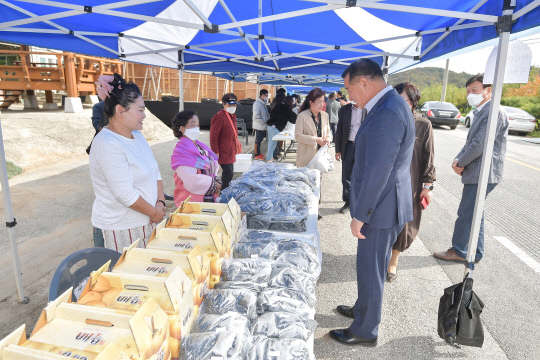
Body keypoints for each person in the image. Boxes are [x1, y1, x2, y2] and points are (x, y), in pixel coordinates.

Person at [328, 59, 415, 346]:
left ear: (364, 83)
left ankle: (365, 331)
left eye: (349, 89)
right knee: (368, 265)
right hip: (385, 203)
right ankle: (362, 309)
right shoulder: (386, 104)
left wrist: (360, 214)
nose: (349, 96)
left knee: (371, 268)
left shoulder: (388, 111)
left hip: (380, 207)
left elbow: (380, 170)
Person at [433, 74, 508, 264]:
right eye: (467, 91)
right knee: (475, 213)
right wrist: (458, 159)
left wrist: (461, 163)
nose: (470, 95)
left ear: (488, 90)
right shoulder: (483, 111)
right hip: (477, 171)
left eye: (474, 90)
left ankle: (459, 250)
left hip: (483, 173)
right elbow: (470, 142)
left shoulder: (493, 111)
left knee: (467, 213)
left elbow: (478, 144)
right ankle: (475, 252)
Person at [90, 74, 166, 251]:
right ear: (120, 110)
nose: (144, 115)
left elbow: (155, 172)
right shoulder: (107, 143)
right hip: (121, 228)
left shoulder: (137, 136)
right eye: (140, 110)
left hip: (148, 221)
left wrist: (160, 203)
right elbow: (124, 193)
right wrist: (154, 213)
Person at [387, 82, 436, 282]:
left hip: (411, 183)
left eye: (402, 99)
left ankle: (393, 261)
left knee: (405, 224)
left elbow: (428, 157)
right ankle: (381, 254)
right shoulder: (387, 120)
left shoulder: (423, 125)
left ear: (413, 102)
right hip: (386, 183)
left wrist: (427, 187)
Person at [171, 110, 221, 207]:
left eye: (198, 125)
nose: (197, 128)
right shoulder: (181, 152)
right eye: (193, 125)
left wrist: (215, 178)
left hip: (207, 197)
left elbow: (211, 163)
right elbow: (191, 180)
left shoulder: (199, 146)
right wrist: (213, 184)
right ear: (182, 129)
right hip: (192, 201)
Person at [335, 97, 366, 214]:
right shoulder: (345, 109)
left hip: (363, 147)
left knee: (362, 174)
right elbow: (340, 130)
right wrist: (338, 149)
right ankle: (348, 201)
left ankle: (359, 201)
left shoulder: (367, 109)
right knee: (346, 175)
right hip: (348, 145)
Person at [210, 93, 242, 190]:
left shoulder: (232, 116)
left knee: (230, 172)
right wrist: (216, 151)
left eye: (234, 104)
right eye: (230, 104)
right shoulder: (219, 116)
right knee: (228, 172)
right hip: (223, 151)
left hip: (230, 150)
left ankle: (226, 190)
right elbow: (213, 136)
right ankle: (224, 192)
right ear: (224, 104)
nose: (233, 106)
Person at [295, 88, 331, 168]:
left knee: (319, 179)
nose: (322, 104)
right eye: (319, 101)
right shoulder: (302, 116)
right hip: (306, 158)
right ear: (311, 102)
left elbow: (328, 132)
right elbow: (298, 136)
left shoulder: (325, 115)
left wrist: (328, 139)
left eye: (323, 101)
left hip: (321, 157)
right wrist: (315, 139)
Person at [266, 95, 298, 162]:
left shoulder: (278, 104)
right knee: (272, 144)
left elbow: (270, 111)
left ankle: (270, 158)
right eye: (292, 102)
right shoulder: (287, 109)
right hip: (276, 127)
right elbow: (294, 119)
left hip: (269, 126)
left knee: (271, 144)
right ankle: (269, 159)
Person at [252, 89, 270, 160]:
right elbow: (256, 116)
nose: (267, 97)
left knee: (260, 139)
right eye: (266, 95)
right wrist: (263, 123)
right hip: (259, 125)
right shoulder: (257, 104)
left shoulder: (263, 103)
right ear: (262, 95)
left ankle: (259, 153)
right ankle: (256, 154)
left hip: (263, 126)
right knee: (258, 140)